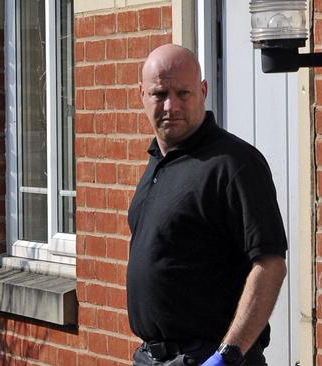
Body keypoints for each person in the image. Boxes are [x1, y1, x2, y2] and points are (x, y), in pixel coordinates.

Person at [126, 44, 288, 366]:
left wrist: (228, 354)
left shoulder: (234, 164)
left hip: (210, 357)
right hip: (152, 357)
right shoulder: (159, 162)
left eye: (183, 93)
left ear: (203, 91)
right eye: (160, 94)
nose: (171, 105)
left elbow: (270, 265)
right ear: (141, 94)